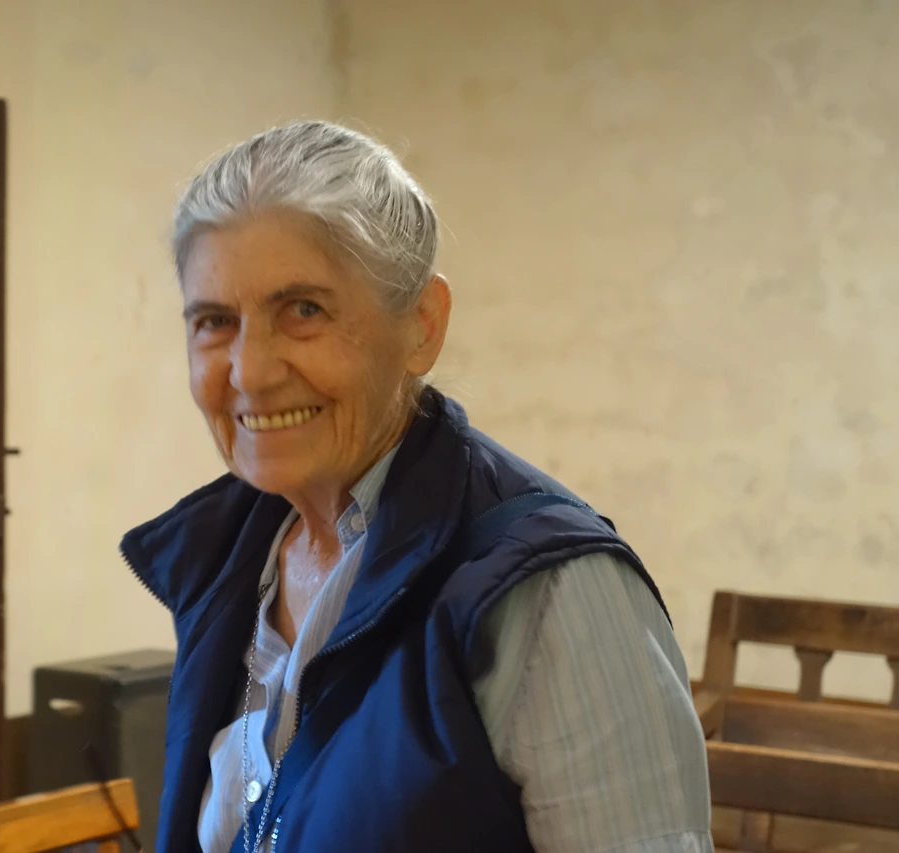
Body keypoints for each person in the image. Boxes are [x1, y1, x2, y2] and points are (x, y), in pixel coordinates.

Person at [120, 120, 712, 852]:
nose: (251, 371)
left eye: (303, 311)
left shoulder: (550, 589)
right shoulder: (228, 565)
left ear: (422, 326)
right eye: (215, 321)